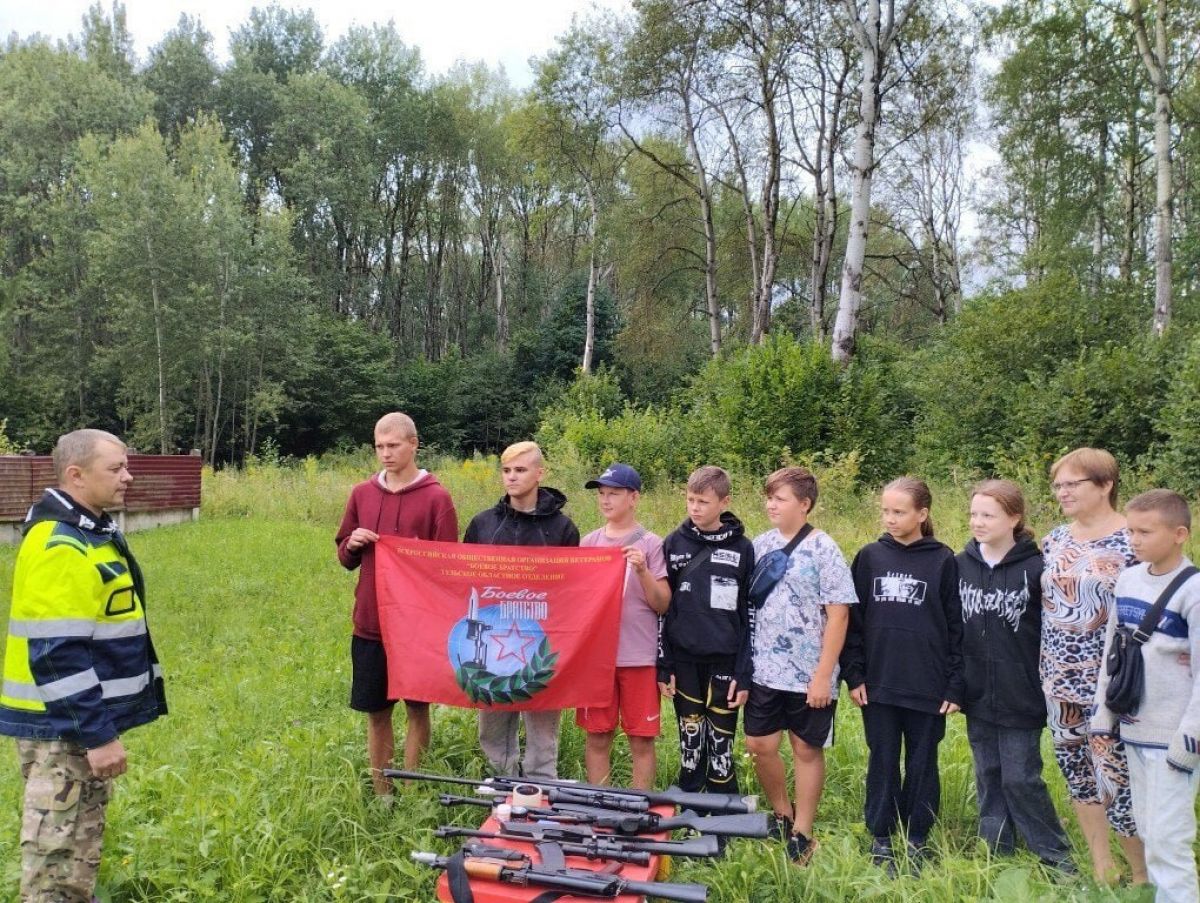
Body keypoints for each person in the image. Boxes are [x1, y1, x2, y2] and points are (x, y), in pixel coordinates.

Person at [0, 429, 167, 902]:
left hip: (73, 722)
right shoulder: (62, 545)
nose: (128, 477)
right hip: (63, 727)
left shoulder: (87, 530)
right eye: (115, 468)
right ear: (76, 475)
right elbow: (57, 654)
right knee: (56, 860)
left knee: (76, 852)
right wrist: (97, 733)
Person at [841, 477, 963, 875]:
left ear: (922, 514)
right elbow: (853, 623)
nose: (890, 518)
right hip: (879, 684)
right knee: (883, 760)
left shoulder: (944, 560)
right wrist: (854, 673)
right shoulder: (870, 557)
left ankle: (917, 836)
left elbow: (956, 627)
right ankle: (881, 835)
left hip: (927, 686)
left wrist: (954, 683)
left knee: (923, 761)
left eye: (899, 511)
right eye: (885, 511)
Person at [335, 413, 459, 798]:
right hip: (370, 623)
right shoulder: (362, 494)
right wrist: (353, 542)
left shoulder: (437, 498)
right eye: (379, 446)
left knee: (417, 709)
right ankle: (383, 791)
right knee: (377, 713)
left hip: (416, 629)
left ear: (413, 444)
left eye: (393, 445)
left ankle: (412, 784)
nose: (385, 454)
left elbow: (448, 569)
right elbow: (344, 557)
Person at [1040, 447, 1145, 885]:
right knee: (1078, 773)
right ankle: (1104, 866)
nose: (1062, 492)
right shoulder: (1054, 539)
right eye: (1058, 484)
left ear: (1105, 485)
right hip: (1058, 680)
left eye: (1072, 484)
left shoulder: (1134, 538)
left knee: (1118, 781)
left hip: (1112, 683)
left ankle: (1142, 875)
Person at [957, 480, 1073, 873]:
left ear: (1014, 518)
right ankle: (997, 849)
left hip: (1022, 690)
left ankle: (1054, 855)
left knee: (1022, 776)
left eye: (988, 514)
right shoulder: (960, 565)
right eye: (974, 513)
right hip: (976, 690)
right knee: (988, 772)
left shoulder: (1038, 567)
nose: (978, 522)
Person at [744, 466, 856, 865]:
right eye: (769, 497)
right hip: (764, 670)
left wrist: (824, 674)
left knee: (806, 748)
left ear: (804, 504)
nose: (771, 504)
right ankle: (781, 811)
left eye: (780, 498)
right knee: (760, 744)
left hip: (810, 672)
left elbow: (839, 614)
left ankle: (802, 831)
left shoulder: (824, 548)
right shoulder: (759, 545)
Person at [1092, 490, 1200, 903]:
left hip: (1173, 738)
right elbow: (1112, 652)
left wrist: (1188, 742)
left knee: (1170, 841)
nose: (1133, 540)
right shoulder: (1129, 579)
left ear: (1179, 534)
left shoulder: (1193, 591)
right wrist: (1104, 713)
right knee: (1150, 830)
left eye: (1144, 531)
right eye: (1130, 531)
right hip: (1133, 731)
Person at [463, 441, 579, 779]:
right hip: (492, 637)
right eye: (507, 470)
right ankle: (501, 781)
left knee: (543, 719)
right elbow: (464, 580)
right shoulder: (483, 524)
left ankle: (542, 785)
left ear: (539, 473)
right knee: (494, 720)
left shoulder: (562, 528)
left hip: (543, 638)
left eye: (521, 470)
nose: (512, 477)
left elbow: (573, 588)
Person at [657, 465, 755, 794]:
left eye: (703, 502)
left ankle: (723, 796)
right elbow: (663, 610)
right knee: (690, 731)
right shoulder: (673, 542)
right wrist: (664, 663)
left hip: (725, 657)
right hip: (683, 657)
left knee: (721, 735)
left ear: (724, 502)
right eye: (690, 500)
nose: (695, 508)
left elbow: (748, 613)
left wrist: (744, 672)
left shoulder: (743, 548)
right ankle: (689, 791)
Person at [575, 463, 669, 790]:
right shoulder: (587, 543)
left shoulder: (652, 544)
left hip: (638, 656)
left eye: (613, 493)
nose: (605, 500)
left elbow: (663, 604)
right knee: (597, 735)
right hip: (597, 660)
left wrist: (642, 571)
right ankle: (598, 804)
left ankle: (638, 806)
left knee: (641, 740)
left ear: (634, 497)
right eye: (601, 493)